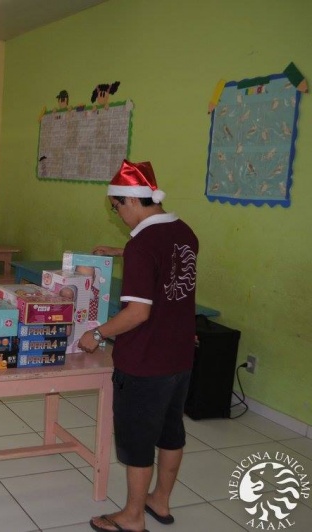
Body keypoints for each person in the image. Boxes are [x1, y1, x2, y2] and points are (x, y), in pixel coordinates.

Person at [78, 160, 198, 532]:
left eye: (117, 208)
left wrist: (96, 333)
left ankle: (131, 517)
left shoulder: (143, 245)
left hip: (145, 362)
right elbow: (170, 269)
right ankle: (159, 501)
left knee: (137, 439)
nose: (119, 216)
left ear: (131, 200)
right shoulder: (184, 232)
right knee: (170, 431)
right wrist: (121, 251)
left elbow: (137, 314)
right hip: (180, 355)